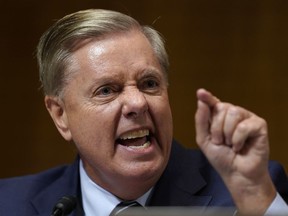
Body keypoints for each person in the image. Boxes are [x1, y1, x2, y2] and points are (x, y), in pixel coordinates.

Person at [0, 9, 287, 216]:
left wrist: (253, 195)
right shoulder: (9, 204)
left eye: (149, 84)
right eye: (107, 90)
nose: (137, 103)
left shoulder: (247, 192)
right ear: (60, 115)